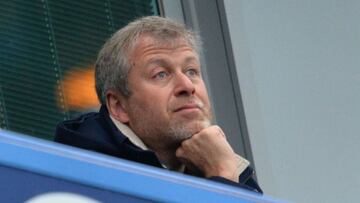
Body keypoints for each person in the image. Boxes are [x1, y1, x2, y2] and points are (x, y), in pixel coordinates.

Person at [55, 16, 262, 193]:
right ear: (118, 106)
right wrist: (223, 177)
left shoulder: (225, 163)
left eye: (191, 71)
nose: (187, 86)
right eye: (161, 74)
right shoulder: (81, 177)